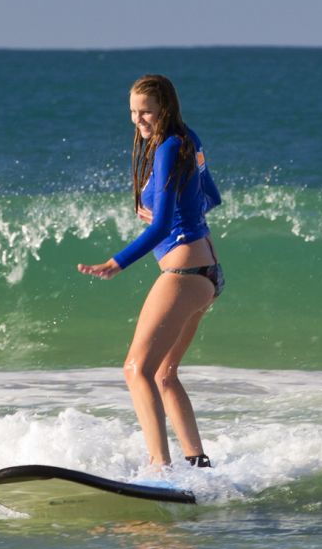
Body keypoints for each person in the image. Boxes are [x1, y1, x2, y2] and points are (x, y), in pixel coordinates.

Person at [77, 74, 223, 469]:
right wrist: (175, 213)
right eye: (133, 113)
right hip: (206, 273)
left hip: (183, 273)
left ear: (165, 109)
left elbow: (160, 228)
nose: (139, 121)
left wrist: (116, 263)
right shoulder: (189, 139)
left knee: (136, 369)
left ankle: (160, 467)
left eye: (146, 112)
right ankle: (198, 465)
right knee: (164, 374)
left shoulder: (168, 147)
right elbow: (211, 196)